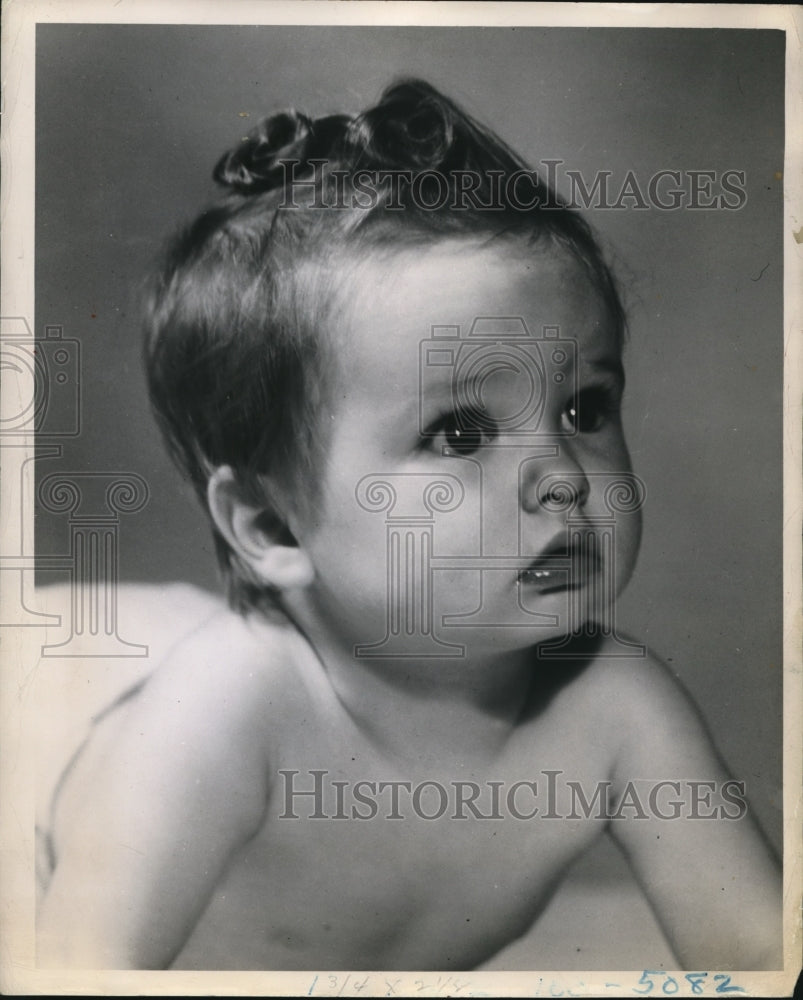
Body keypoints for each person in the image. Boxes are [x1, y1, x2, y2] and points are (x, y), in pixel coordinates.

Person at [36, 79, 781, 971]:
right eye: (459, 433)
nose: (560, 479)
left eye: (584, 407)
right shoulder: (224, 717)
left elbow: (758, 961)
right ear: (271, 524)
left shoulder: (617, 708)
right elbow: (73, 976)